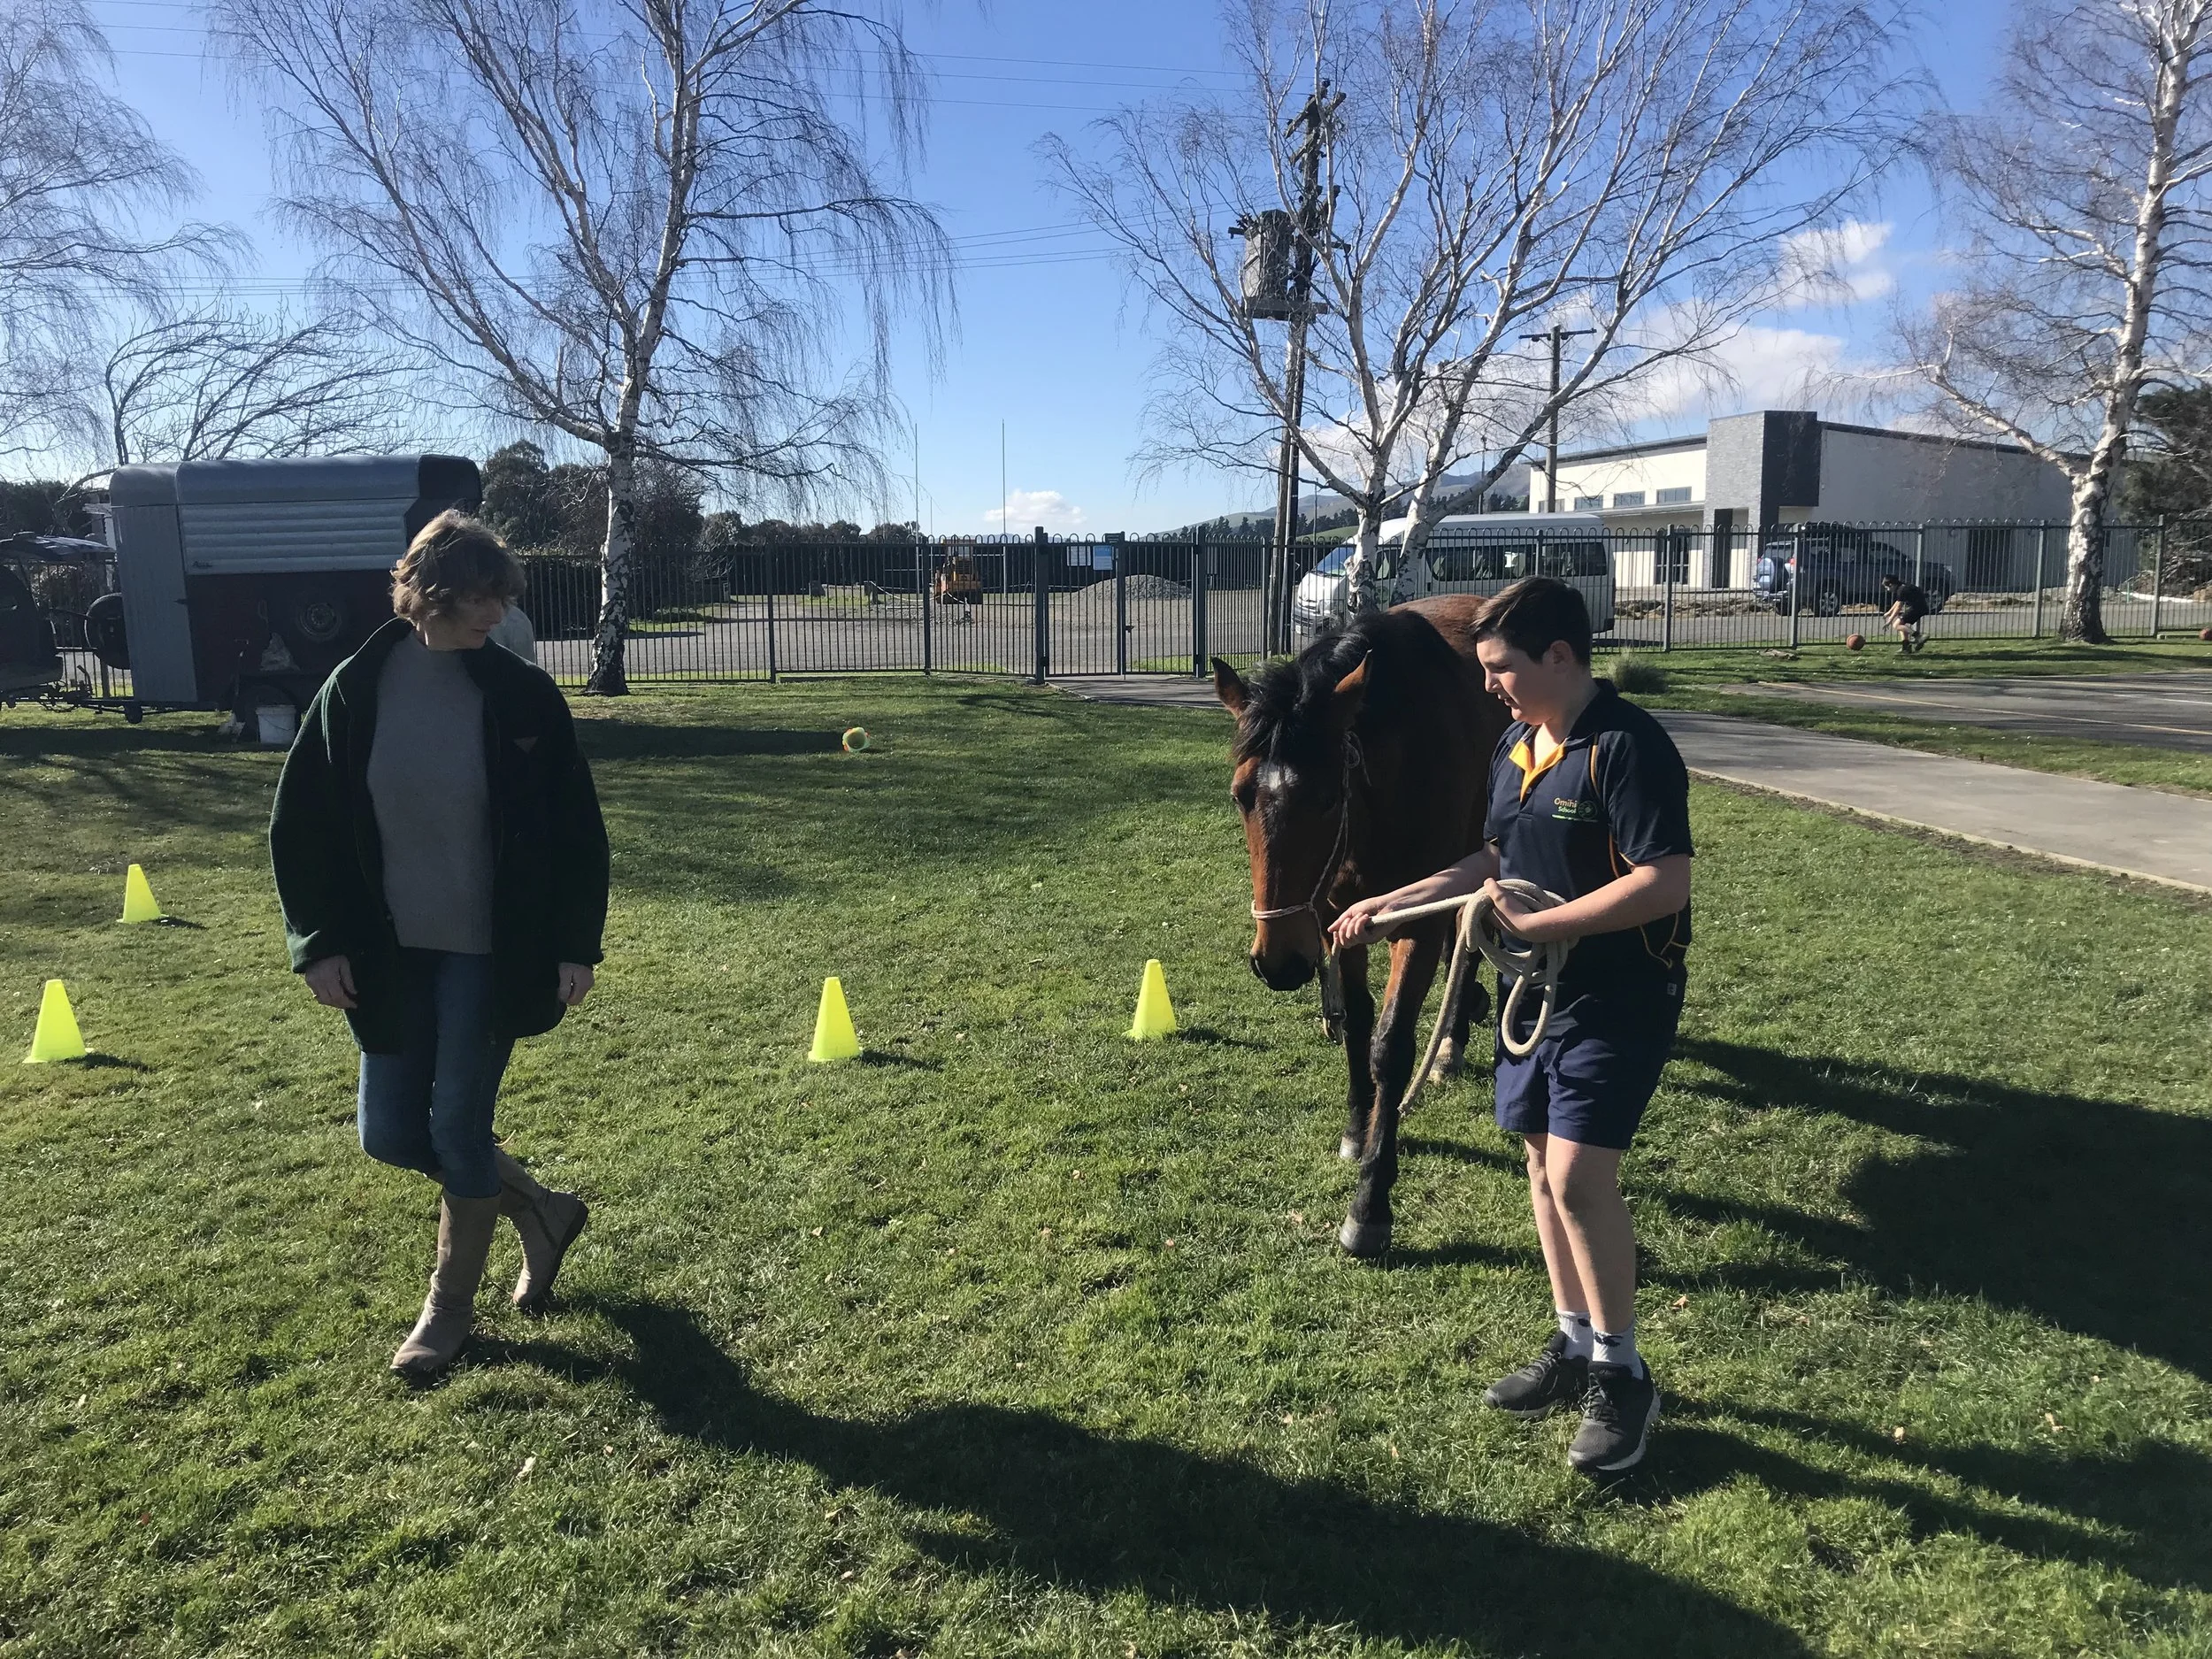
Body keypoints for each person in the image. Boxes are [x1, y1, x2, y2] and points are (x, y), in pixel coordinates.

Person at [1329, 576, 1692, 1474]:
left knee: (1574, 1180)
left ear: (1560, 658)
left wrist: (1538, 927)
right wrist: (1388, 900)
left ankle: (1622, 1374)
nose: (1488, 685)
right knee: (1537, 1164)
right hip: (1538, 996)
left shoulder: (1628, 748)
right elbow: (1491, 857)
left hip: (1617, 992)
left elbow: (1665, 880)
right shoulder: (1517, 746)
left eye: (1501, 669)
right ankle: (1573, 1346)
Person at [270, 511, 611, 1382]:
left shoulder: (522, 694)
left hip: (492, 952)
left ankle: (447, 1312)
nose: (493, 616)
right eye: (477, 599)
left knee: (456, 1127)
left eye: (502, 599)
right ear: (424, 590)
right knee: (390, 1133)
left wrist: (576, 945)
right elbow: (300, 828)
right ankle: (541, 1206)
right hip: (389, 953)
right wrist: (317, 945)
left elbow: (578, 830)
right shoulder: (354, 689)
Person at [1880, 572, 1929, 653]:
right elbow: (1898, 601)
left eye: (1887, 588)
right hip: (1920, 607)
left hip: (1917, 608)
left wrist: (1890, 620)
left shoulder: (1901, 590)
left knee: (1897, 625)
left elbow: (1899, 606)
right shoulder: (1902, 586)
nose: (1887, 590)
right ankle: (1906, 647)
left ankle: (1919, 636)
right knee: (1900, 624)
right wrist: (1889, 612)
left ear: (1891, 584)